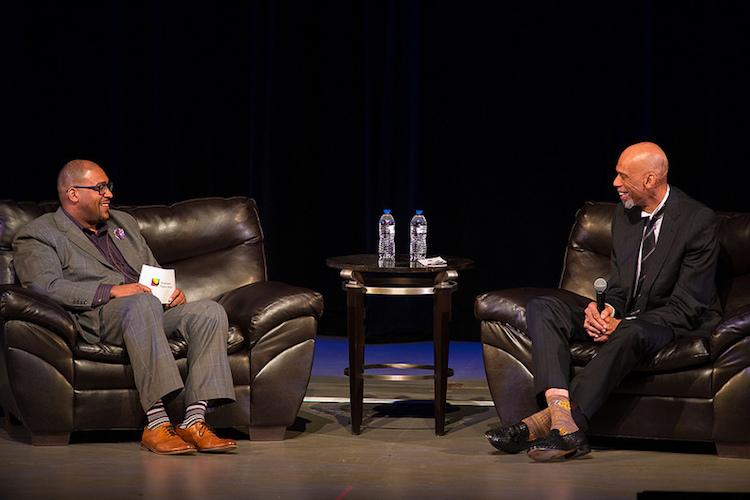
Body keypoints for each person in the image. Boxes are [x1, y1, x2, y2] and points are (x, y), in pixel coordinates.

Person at [485, 142, 722, 461]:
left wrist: (622, 323)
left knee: (630, 331)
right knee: (543, 306)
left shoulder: (698, 221)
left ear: (650, 180)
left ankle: (539, 425)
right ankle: (561, 420)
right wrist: (605, 309)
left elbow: (688, 306)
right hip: (626, 316)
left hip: (667, 322)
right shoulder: (625, 217)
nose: (615, 183)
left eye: (623, 176)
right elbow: (621, 284)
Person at [13, 159, 238, 455]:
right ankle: (157, 424)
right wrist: (111, 291)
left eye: (108, 187)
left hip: (149, 309)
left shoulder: (124, 224)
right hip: (98, 315)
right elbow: (44, 286)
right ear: (73, 194)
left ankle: (194, 421)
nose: (109, 194)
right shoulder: (39, 233)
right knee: (141, 304)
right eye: (100, 188)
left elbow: (152, 270)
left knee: (209, 311)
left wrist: (169, 291)